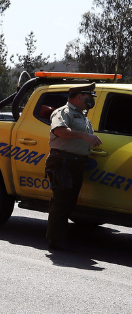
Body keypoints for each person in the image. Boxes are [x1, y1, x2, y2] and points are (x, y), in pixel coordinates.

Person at [45, 83, 102, 250]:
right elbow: (60, 131)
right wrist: (85, 136)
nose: (91, 100)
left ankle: (60, 236)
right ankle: (55, 240)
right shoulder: (63, 112)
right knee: (61, 202)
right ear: (79, 96)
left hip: (75, 163)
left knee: (68, 202)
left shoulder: (82, 116)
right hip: (63, 161)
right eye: (89, 96)